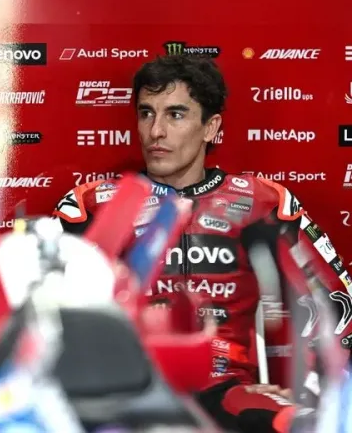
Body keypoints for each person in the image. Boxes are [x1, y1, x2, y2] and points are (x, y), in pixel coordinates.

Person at [52, 55, 352, 433]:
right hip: (123, 387)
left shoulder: (262, 202)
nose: (156, 131)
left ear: (210, 127)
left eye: (175, 115)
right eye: (146, 113)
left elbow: (336, 306)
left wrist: (311, 391)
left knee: (303, 423)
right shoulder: (91, 205)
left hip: (225, 386)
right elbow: (31, 311)